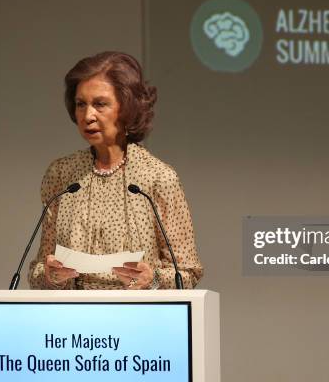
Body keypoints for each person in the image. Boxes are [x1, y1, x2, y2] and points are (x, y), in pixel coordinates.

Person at [28, 52, 203, 290]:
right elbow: (39, 269)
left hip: (138, 319)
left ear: (127, 108)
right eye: (81, 104)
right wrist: (52, 276)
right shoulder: (61, 175)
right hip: (73, 321)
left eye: (100, 104)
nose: (88, 116)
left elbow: (187, 273)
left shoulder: (158, 178)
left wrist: (151, 281)